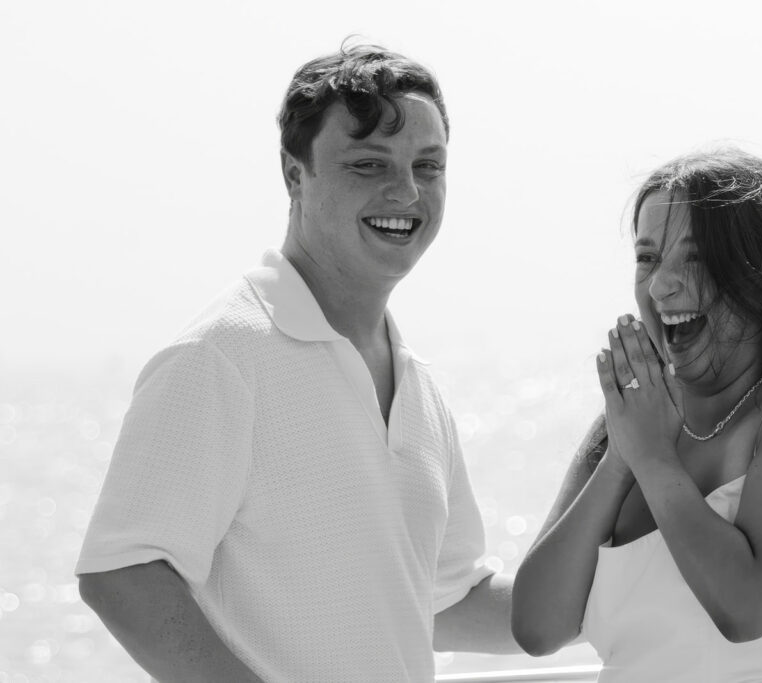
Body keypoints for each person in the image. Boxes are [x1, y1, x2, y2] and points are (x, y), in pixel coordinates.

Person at [76, 42, 518, 682]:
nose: (406, 190)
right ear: (294, 174)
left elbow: (446, 600)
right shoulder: (219, 357)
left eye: (429, 166)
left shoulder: (420, 386)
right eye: (368, 165)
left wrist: (646, 580)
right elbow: (122, 573)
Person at [511, 148, 762, 682]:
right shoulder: (629, 422)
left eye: (695, 258)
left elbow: (745, 609)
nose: (661, 284)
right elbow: (538, 629)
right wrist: (621, 458)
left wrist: (654, 460)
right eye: (647, 258)